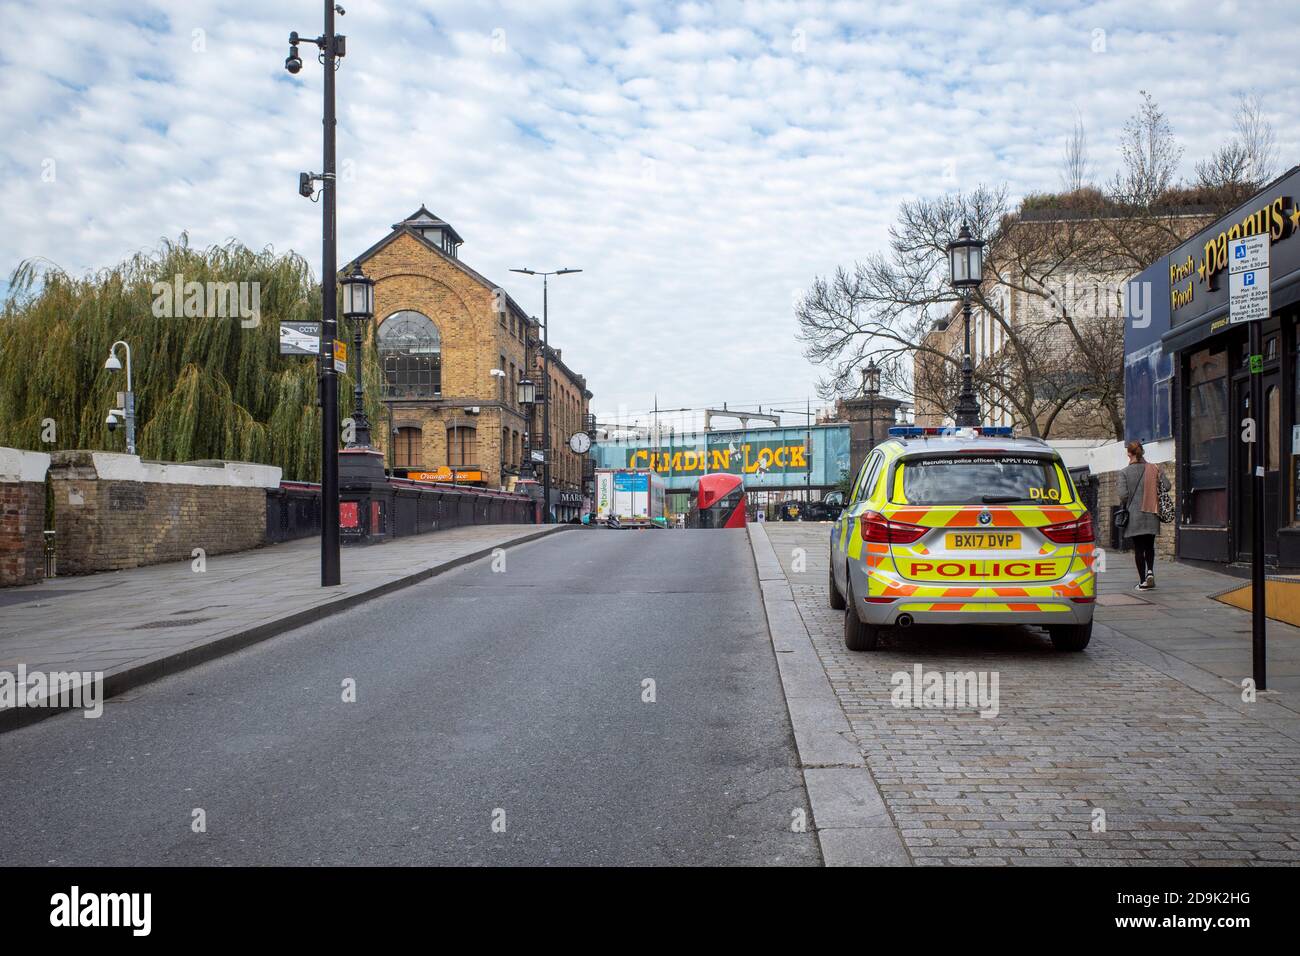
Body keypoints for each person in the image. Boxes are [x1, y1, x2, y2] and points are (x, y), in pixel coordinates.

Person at [1117, 440, 1170, 590]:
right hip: (1152, 513)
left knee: (1139, 548)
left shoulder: (1124, 473)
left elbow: (1123, 496)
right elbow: (1167, 486)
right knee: (1149, 546)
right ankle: (1150, 571)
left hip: (1134, 516)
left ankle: (1142, 581)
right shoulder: (1153, 468)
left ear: (1129, 453)